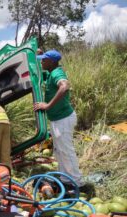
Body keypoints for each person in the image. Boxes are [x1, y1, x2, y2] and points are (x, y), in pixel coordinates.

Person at [34, 50, 92, 194]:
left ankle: (78, 183)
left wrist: (47, 106)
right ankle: (66, 179)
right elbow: (36, 69)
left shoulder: (57, 73)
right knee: (59, 151)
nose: (42, 62)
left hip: (63, 119)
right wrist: (37, 52)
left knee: (66, 151)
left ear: (52, 62)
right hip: (57, 119)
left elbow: (64, 86)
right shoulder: (50, 73)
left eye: (44, 60)